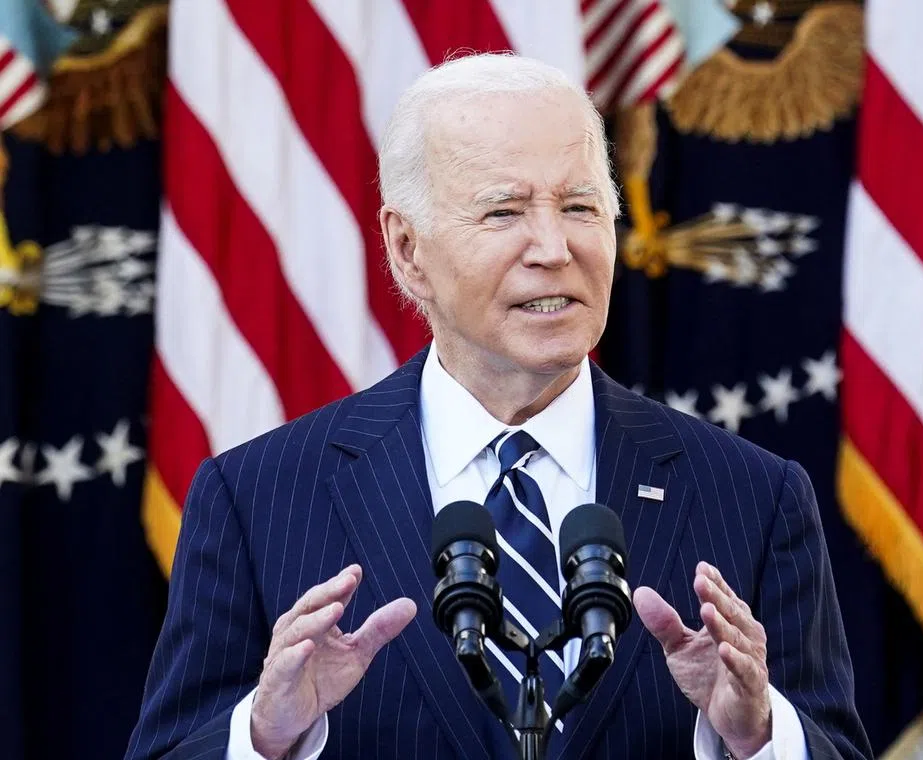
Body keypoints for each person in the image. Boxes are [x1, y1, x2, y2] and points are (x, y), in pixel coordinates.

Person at [125, 53, 870, 760]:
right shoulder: (257, 499)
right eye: (504, 211)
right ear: (408, 250)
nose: (553, 246)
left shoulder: (754, 496)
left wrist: (759, 736)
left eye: (580, 206)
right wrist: (265, 734)